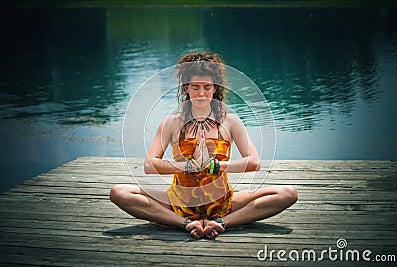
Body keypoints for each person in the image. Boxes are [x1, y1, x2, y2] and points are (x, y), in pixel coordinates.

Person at [110, 51, 297, 239]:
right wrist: (189, 166)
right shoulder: (171, 122)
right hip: (178, 201)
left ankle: (222, 222)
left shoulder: (230, 121)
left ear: (215, 88)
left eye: (207, 87)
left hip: (224, 201)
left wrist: (215, 166)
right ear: (186, 88)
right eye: (195, 87)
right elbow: (149, 165)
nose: (201, 93)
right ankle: (185, 223)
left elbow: (254, 162)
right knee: (119, 192)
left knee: (287, 193)